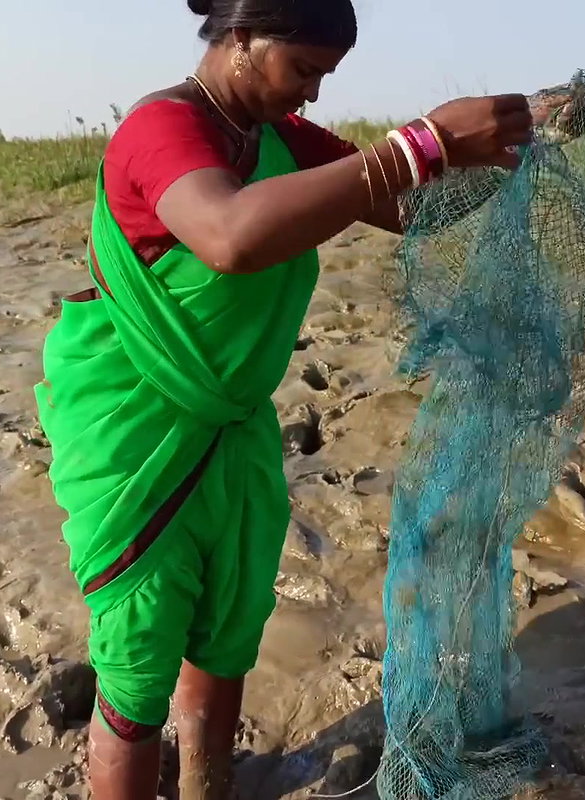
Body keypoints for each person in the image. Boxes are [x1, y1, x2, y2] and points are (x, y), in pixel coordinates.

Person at [33, 0, 540, 797]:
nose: (309, 97)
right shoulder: (160, 130)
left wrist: (505, 147)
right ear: (240, 38)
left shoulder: (281, 141)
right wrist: (421, 141)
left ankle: (208, 783)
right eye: (301, 70)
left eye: (323, 78)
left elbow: (407, 207)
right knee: (134, 674)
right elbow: (230, 235)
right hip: (136, 429)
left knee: (225, 632)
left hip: (231, 429)